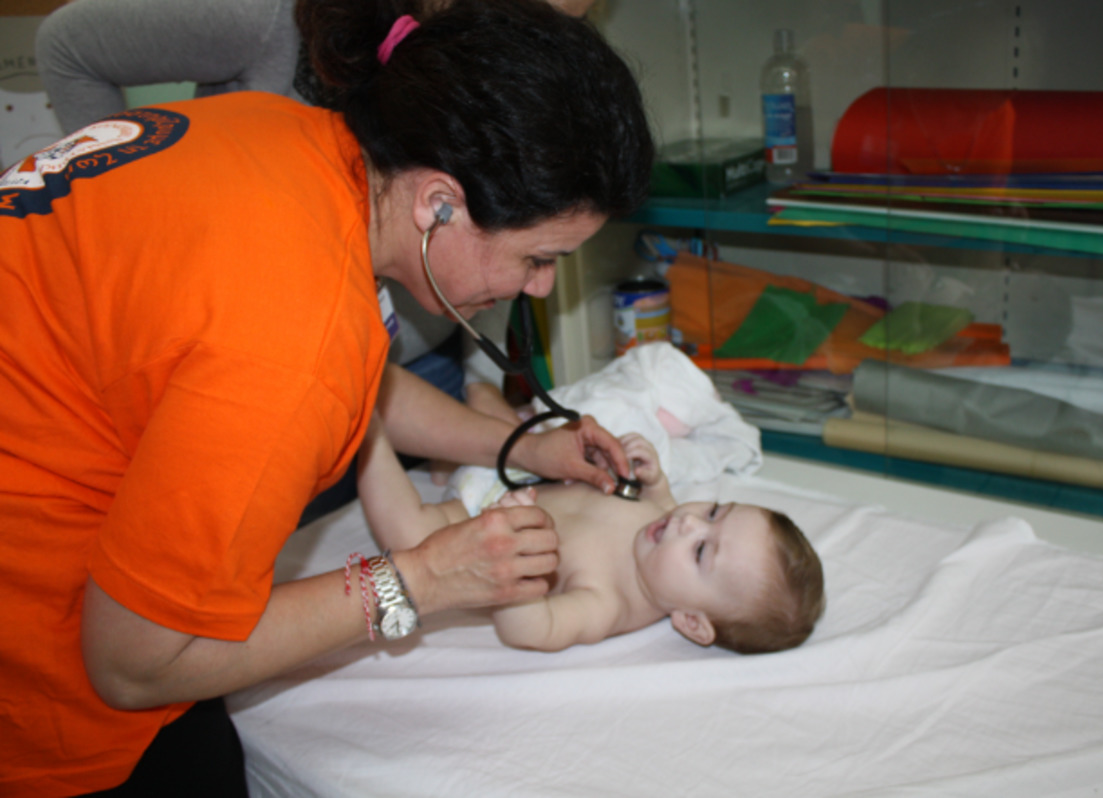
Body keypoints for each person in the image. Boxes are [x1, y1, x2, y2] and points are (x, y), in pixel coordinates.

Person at [0, 0, 654, 795]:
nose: (541, 288)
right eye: (539, 258)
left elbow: (345, 376)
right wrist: (424, 579)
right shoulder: (290, 341)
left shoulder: (279, 137)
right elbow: (132, 666)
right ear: (438, 203)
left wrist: (524, 445)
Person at [34, 0, 595, 493]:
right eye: (532, 29)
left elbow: (498, 242)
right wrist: (422, 572)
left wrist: (514, 434)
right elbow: (164, 593)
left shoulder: (336, 201)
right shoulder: (283, 318)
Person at [358, 422, 826, 654]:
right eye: (714, 512)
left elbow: (531, 632)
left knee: (409, 535)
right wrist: (654, 479)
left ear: (691, 622)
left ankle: (366, 432)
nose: (689, 523)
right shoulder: (664, 525)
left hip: (472, 519)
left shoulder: (609, 602)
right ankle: (481, 383)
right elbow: (665, 503)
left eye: (703, 550)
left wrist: (515, 552)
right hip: (521, 470)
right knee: (509, 422)